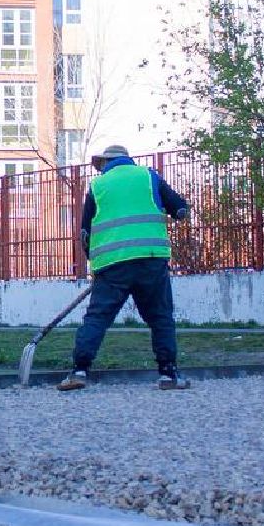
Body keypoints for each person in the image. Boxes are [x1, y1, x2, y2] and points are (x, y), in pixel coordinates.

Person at [58, 145, 192, 392]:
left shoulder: (98, 186)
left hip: (112, 265)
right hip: (151, 259)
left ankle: (79, 371)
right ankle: (168, 374)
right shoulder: (148, 176)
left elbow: (85, 233)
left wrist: (95, 265)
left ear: (107, 162)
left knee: (97, 318)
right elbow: (179, 208)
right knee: (160, 317)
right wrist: (179, 210)